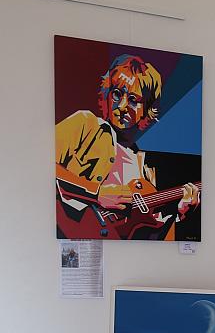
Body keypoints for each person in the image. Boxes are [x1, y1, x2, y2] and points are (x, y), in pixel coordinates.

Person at [56, 54, 199, 239]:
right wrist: (97, 193)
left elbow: (148, 237)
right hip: (66, 231)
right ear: (107, 94)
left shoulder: (145, 169)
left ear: (147, 109)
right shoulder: (85, 123)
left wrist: (181, 214)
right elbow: (42, 164)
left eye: (133, 99)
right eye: (117, 94)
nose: (122, 106)